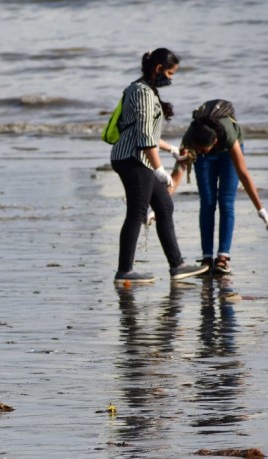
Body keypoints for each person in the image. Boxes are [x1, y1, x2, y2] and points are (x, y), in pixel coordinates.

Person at [110, 48, 208, 284]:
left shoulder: (145, 90)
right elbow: (144, 137)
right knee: (137, 212)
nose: (171, 78)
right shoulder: (142, 92)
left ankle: (178, 265)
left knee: (164, 206)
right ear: (158, 69)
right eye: (170, 73)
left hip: (138, 158)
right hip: (133, 160)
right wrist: (159, 169)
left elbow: (147, 134)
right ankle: (125, 270)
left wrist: (171, 149)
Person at [173, 101, 268, 275]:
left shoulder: (228, 136)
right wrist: (158, 206)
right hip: (202, 151)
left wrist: (261, 209)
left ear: (215, 141)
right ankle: (206, 257)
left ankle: (223, 258)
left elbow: (243, 174)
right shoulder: (191, 140)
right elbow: (177, 175)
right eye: (199, 150)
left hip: (227, 153)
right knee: (207, 201)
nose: (202, 152)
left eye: (204, 149)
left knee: (226, 201)